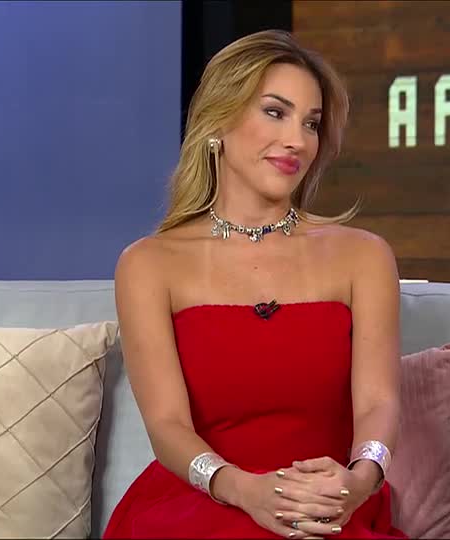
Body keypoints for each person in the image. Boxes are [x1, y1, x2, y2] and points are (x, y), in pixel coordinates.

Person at [103, 29, 406, 539]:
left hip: (327, 506)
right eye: (275, 112)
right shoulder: (148, 265)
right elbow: (167, 426)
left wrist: (360, 482)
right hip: (203, 502)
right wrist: (245, 491)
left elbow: (379, 403)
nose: (298, 141)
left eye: (311, 123)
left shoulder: (364, 256)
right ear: (218, 121)